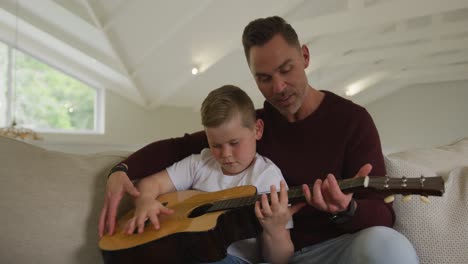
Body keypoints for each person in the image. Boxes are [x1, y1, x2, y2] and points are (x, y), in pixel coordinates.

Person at [99, 16, 418, 264]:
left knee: (387, 244)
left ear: (305, 56)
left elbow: (383, 215)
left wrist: (346, 209)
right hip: (265, 255)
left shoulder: (352, 121)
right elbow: (176, 147)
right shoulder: (248, 129)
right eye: (264, 78)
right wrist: (122, 170)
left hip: (333, 250)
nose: (278, 87)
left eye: (286, 69)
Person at [111, 85, 302, 264]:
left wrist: (275, 231)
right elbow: (152, 183)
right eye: (216, 145)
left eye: (234, 143)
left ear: (257, 130)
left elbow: (280, 260)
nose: (225, 154)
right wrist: (145, 200)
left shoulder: (268, 179)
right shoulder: (201, 162)